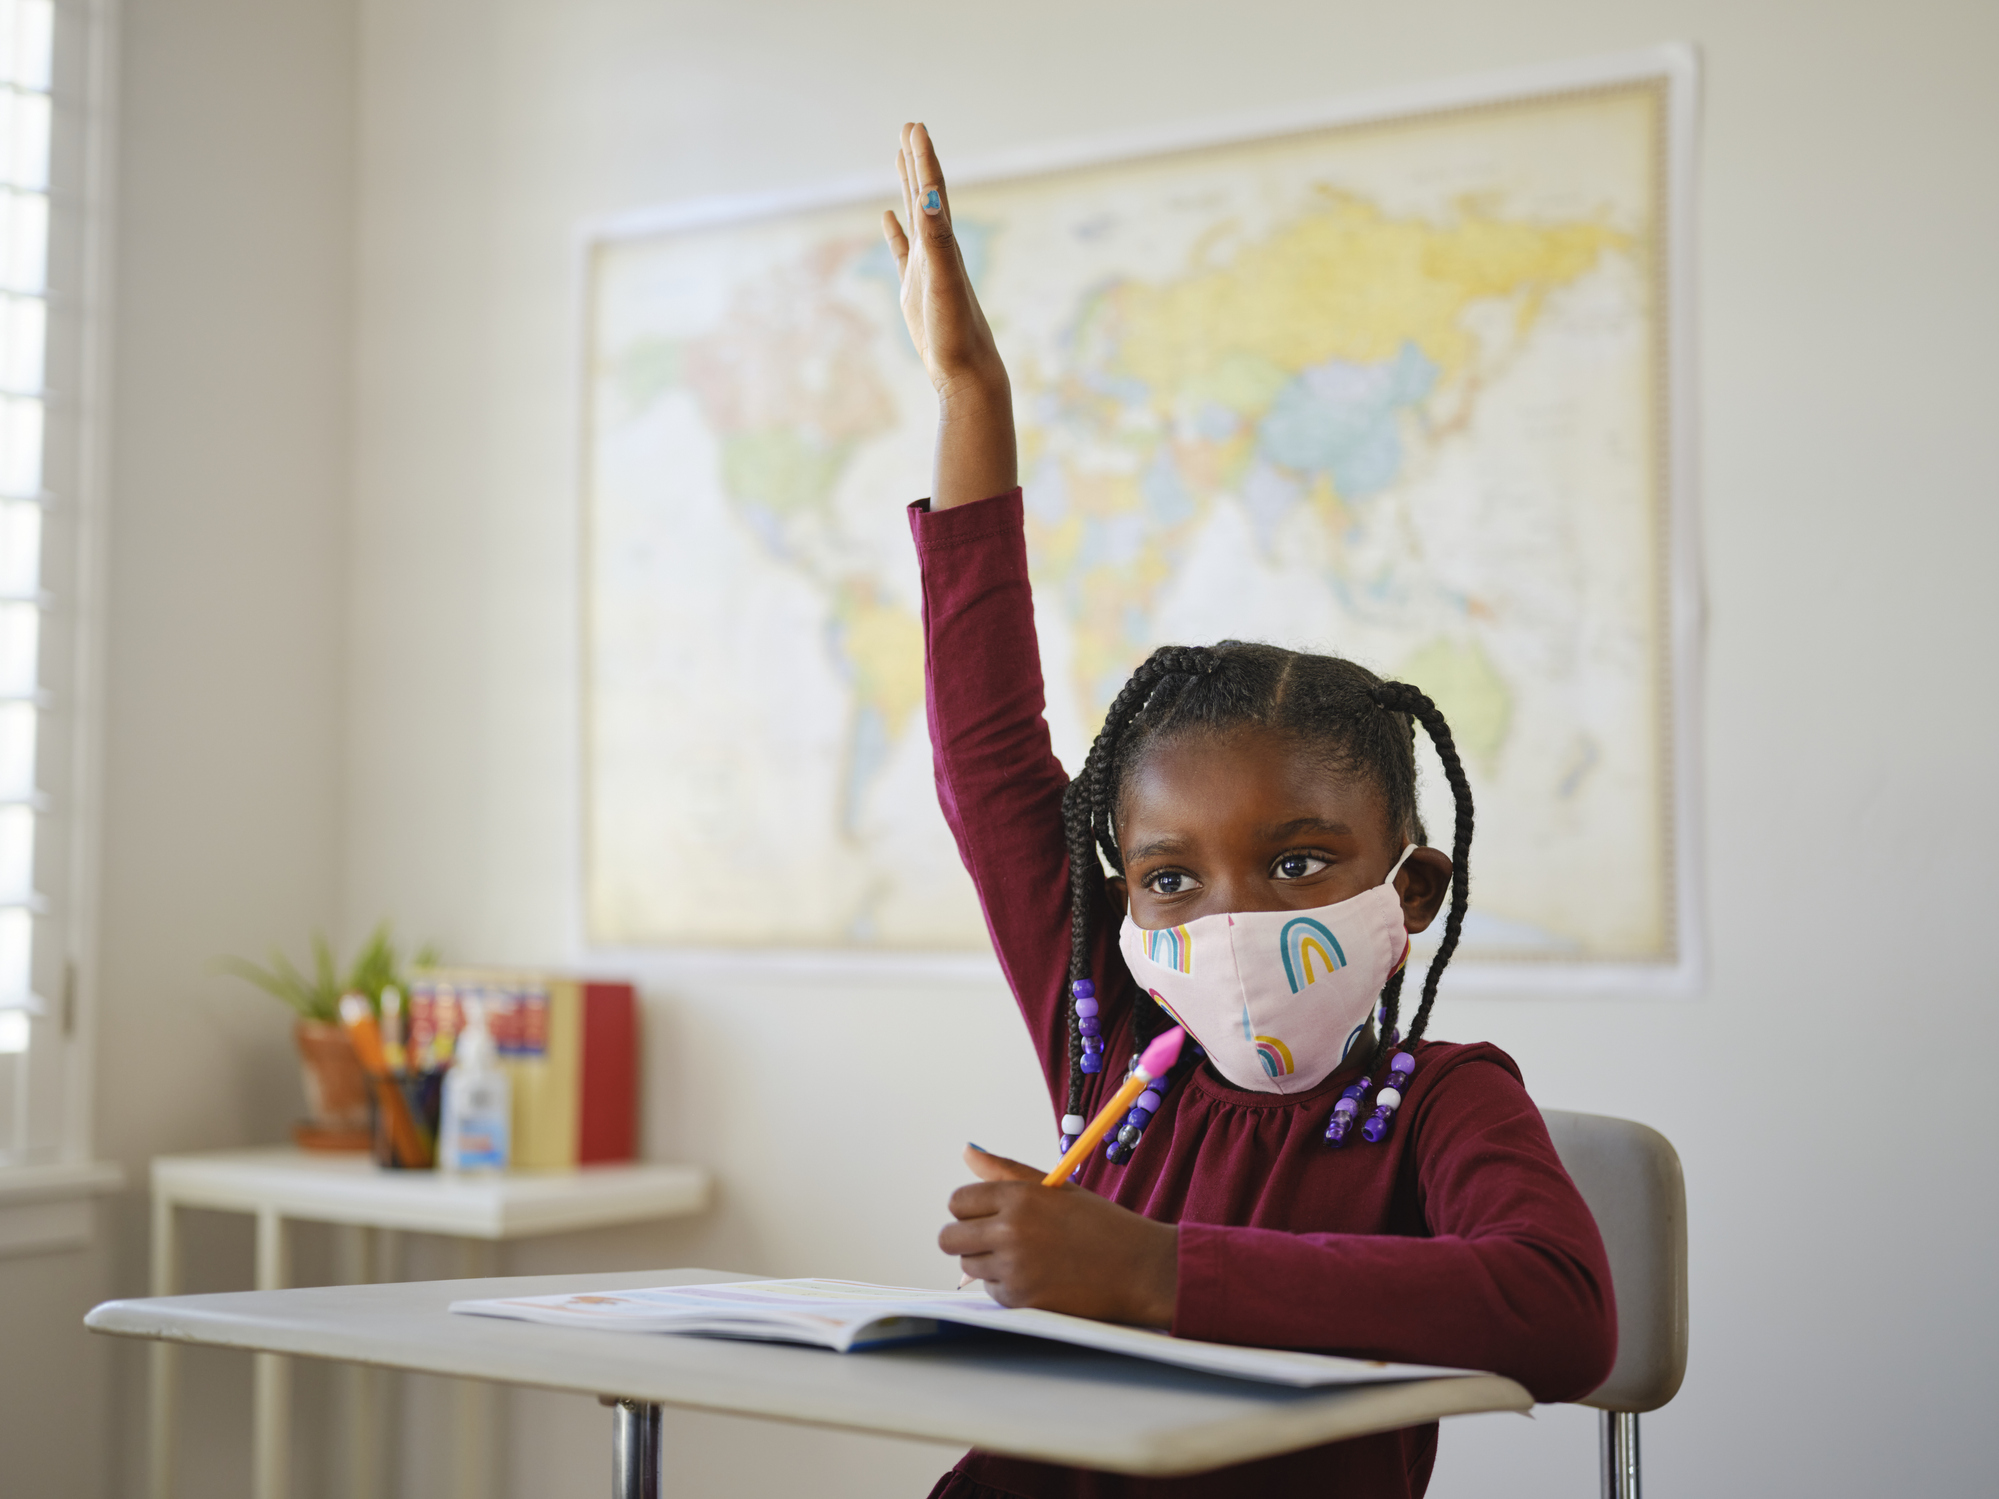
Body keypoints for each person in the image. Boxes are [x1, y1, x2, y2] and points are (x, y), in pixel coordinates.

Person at [882, 122, 1616, 1499]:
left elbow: (1563, 1313)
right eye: (1170, 880)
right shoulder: (1109, 1032)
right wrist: (971, 391)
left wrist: (1149, 1270)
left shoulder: (1439, 1107)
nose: (1228, 924)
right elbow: (987, 752)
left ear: (1410, 893)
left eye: (1295, 861)